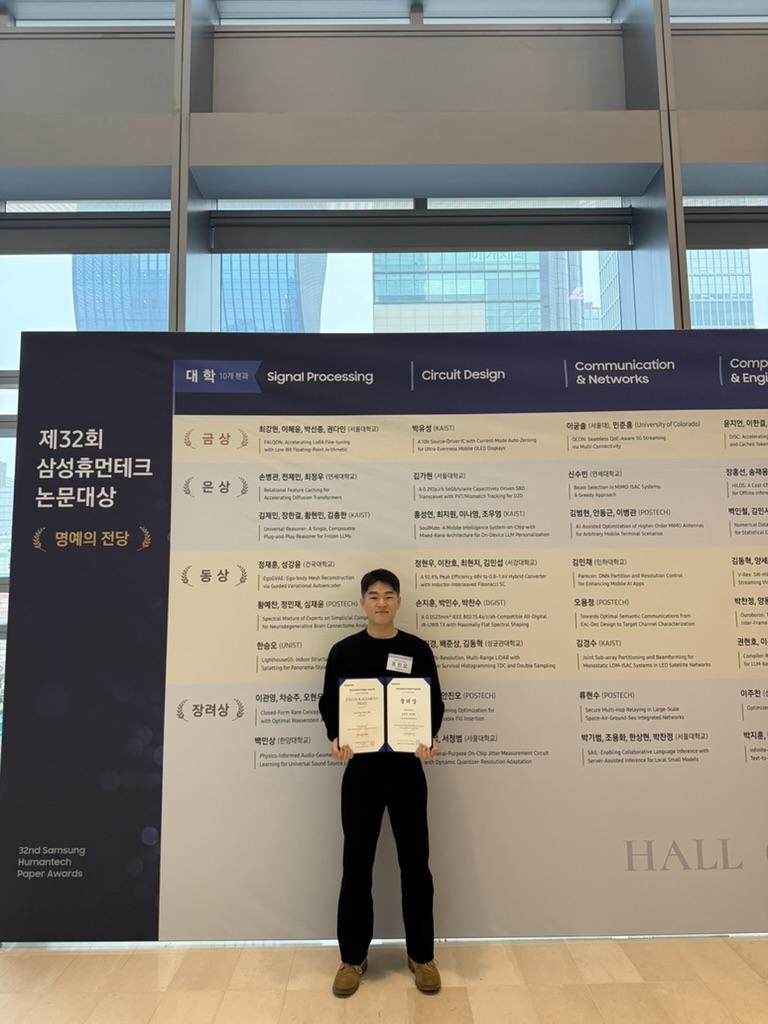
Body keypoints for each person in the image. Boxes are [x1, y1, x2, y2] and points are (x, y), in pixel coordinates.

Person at [319, 568, 445, 997]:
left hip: (408, 771)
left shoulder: (417, 649)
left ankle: (422, 956)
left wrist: (430, 738)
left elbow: (434, 703)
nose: (381, 603)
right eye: (373, 596)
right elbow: (329, 702)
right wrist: (336, 737)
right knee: (356, 867)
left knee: (416, 866)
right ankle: (352, 958)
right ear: (362, 603)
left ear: (399, 602)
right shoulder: (344, 652)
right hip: (361, 773)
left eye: (388, 595)